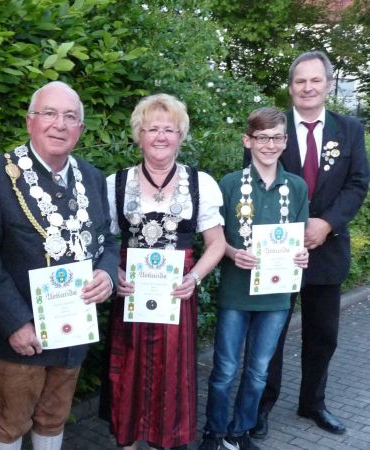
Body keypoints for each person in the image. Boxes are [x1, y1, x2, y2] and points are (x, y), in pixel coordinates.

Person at [0, 81, 119, 450]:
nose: (59, 124)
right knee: (11, 423)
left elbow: (107, 240)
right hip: (22, 336)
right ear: (30, 121)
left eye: (70, 117)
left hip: (73, 329)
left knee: (55, 417)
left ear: (80, 129)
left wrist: (107, 273)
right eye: (49, 113)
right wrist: (14, 322)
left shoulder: (92, 177)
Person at [249, 51, 369, 439]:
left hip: (328, 249)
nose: (308, 87)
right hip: (277, 253)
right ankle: (261, 405)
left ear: (329, 85)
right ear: (290, 87)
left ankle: (313, 403)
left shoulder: (349, 129)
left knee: (323, 335)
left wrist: (327, 223)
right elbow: (253, 183)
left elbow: (357, 184)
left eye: (316, 80)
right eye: (300, 81)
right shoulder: (272, 129)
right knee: (271, 334)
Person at [103, 93, 226, 450]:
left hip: (176, 297)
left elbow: (217, 243)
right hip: (130, 296)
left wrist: (194, 278)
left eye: (169, 129)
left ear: (180, 136)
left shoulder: (200, 183)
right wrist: (113, 272)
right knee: (127, 372)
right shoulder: (116, 183)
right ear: (139, 134)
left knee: (171, 376)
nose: (160, 136)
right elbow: (101, 241)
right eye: (152, 128)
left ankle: (166, 441)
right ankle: (127, 442)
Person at [199, 107, 309, 450]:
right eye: (262, 137)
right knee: (225, 369)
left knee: (259, 370)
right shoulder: (230, 184)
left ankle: (240, 431)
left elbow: (299, 239)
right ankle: (214, 432)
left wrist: (302, 256)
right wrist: (234, 253)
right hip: (236, 293)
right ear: (247, 140)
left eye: (277, 137)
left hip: (276, 297)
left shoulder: (297, 187)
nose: (269, 144)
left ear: (286, 141)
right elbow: (215, 240)